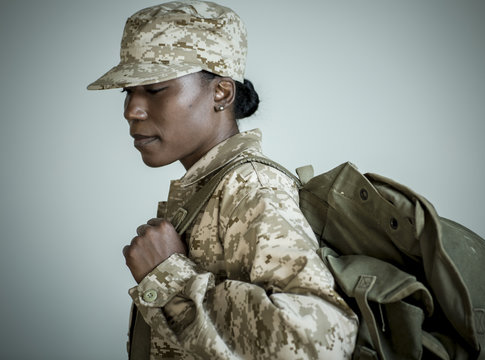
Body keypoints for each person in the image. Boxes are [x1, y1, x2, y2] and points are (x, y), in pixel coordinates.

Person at [87, 1, 358, 359]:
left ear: (222, 93)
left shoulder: (250, 186)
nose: (131, 111)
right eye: (128, 91)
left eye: (153, 89)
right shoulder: (211, 187)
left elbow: (321, 344)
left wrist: (169, 278)